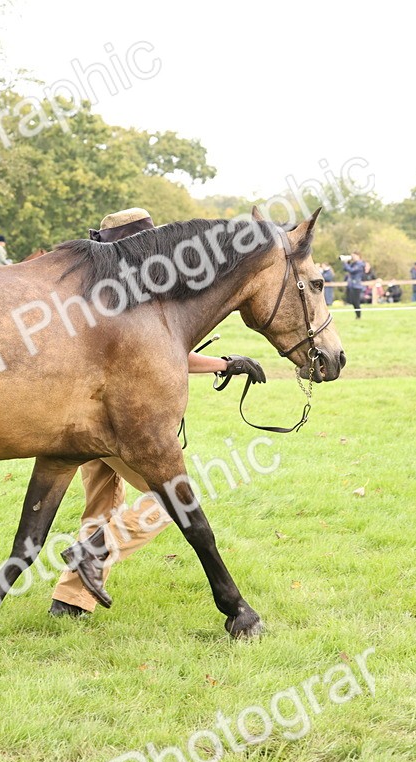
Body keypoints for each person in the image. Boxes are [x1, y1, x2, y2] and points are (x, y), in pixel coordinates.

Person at [50, 208, 267, 618]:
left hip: (83, 420)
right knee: (172, 503)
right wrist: (225, 363)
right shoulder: (136, 293)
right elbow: (164, 358)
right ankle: (93, 550)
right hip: (121, 425)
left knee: (99, 507)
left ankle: (70, 600)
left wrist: (222, 362)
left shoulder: (93, 288)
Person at [344, 252, 365, 319]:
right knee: (352, 301)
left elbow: (351, 270)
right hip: (351, 285)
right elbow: (345, 269)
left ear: (358, 256)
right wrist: (346, 262)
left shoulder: (360, 264)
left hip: (357, 285)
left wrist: (345, 263)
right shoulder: (354, 263)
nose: (353, 257)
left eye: (354, 256)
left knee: (356, 301)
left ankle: (358, 316)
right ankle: (357, 316)